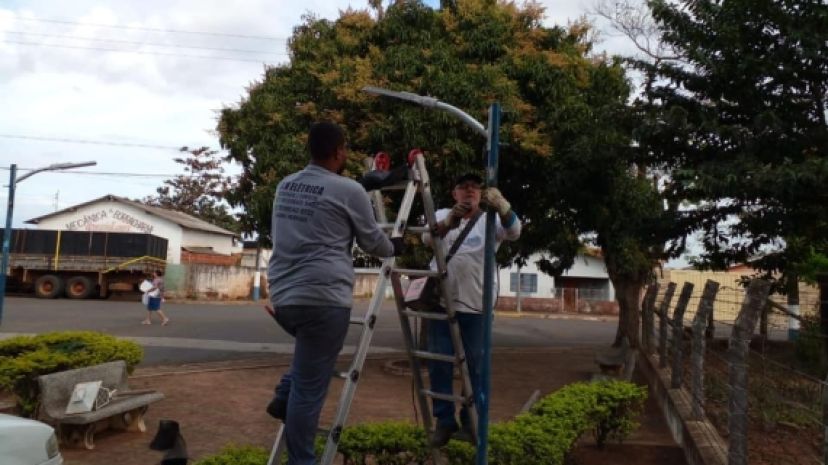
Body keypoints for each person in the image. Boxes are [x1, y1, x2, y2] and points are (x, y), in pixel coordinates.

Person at [264, 121, 404, 465]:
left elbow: (319, 206)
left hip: (283, 297)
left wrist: (359, 185)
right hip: (324, 300)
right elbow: (375, 242)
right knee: (309, 393)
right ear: (340, 151)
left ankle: (283, 394)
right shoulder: (349, 191)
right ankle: (302, 460)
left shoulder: (286, 185)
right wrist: (394, 245)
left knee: (310, 360)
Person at [421, 172, 521, 447]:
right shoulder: (443, 213)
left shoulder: (489, 220)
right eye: (463, 187)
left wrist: (503, 207)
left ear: (482, 194)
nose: (469, 192)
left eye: (475, 188)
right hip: (442, 303)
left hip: (476, 305)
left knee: (476, 367)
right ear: (454, 194)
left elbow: (514, 232)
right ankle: (444, 420)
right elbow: (427, 238)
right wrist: (450, 221)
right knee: (439, 362)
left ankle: (470, 419)